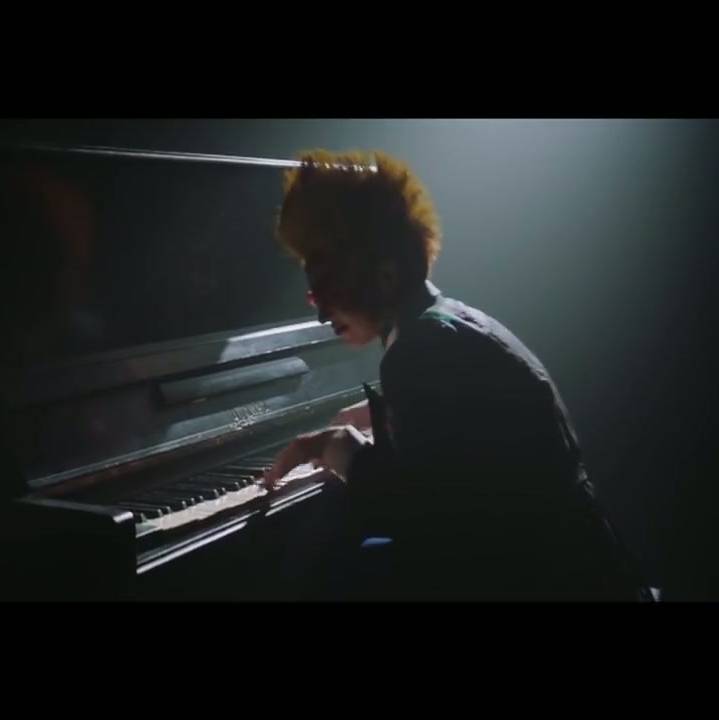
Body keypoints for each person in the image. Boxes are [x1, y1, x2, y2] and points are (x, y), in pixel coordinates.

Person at [263, 149, 651, 601]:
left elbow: (425, 520)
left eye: (326, 291)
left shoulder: (421, 351)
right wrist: (389, 414)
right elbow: (469, 449)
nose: (320, 314)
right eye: (314, 295)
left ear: (386, 276)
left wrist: (341, 449)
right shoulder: (448, 323)